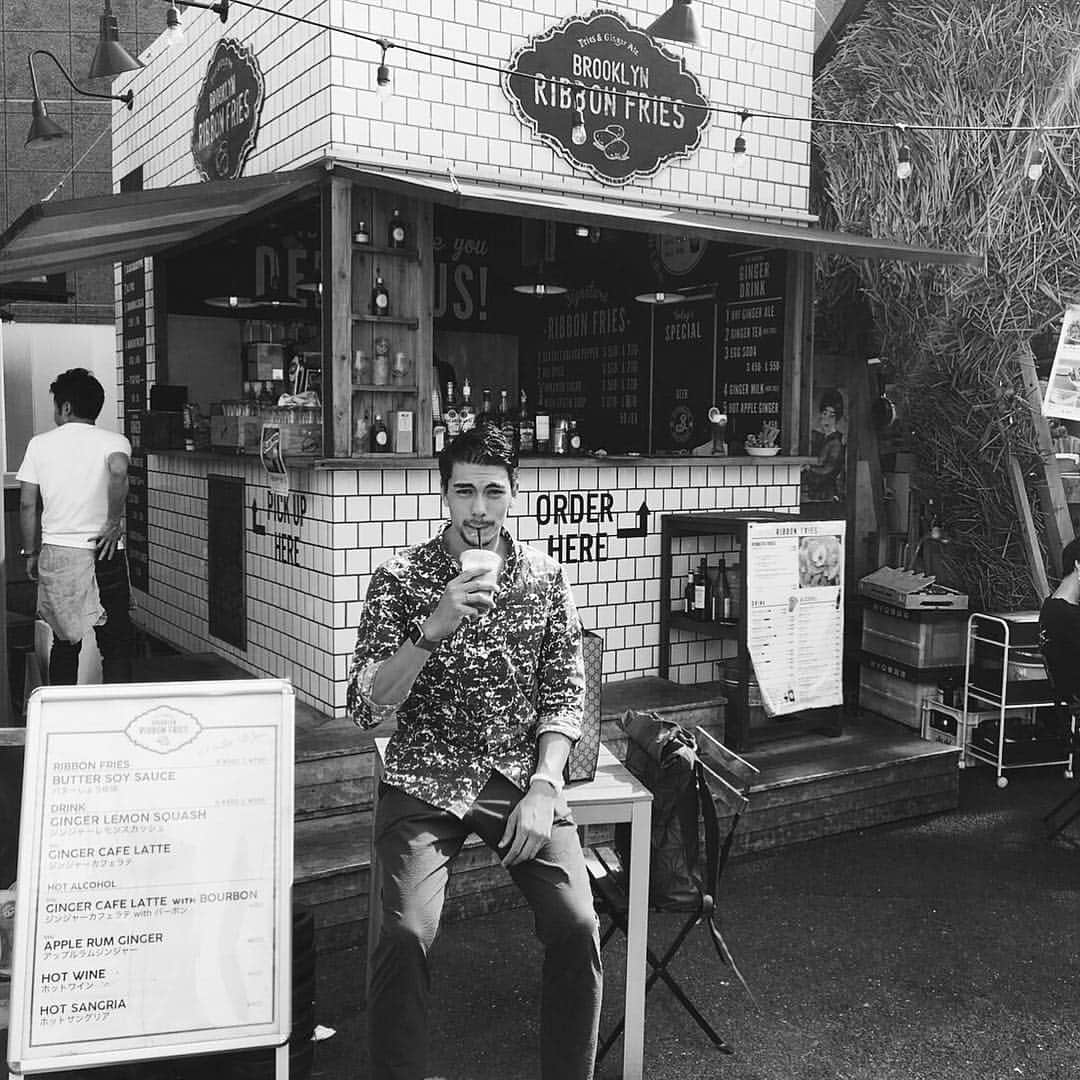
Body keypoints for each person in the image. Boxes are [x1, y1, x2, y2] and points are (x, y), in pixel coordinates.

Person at [347, 423, 601, 1080]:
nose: (479, 509)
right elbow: (366, 706)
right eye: (465, 492)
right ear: (444, 496)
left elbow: (565, 690)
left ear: (515, 493)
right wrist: (432, 628)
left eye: (493, 491)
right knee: (403, 934)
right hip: (425, 775)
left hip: (517, 778)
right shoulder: (399, 579)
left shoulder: (545, 580)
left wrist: (546, 784)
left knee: (577, 925)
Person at [16, 368, 134, 685]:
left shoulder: (40, 445)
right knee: (116, 642)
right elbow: (119, 470)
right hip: (105, 550)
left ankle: (63, 717)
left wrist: (30, 552)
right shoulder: (115, 440)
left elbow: (27, 503)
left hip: (60, 554)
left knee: (66, 642)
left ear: (66, 407)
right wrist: (113, 522)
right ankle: (118, 715)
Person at [801, 388, 846, 504]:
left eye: (832, 416)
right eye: (825, 413)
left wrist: (808, 468)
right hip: (811, 492)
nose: (827, 419)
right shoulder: (816, 436)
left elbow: (829, 469)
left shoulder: (836, 442)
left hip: (827, 495)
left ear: (837, 418)